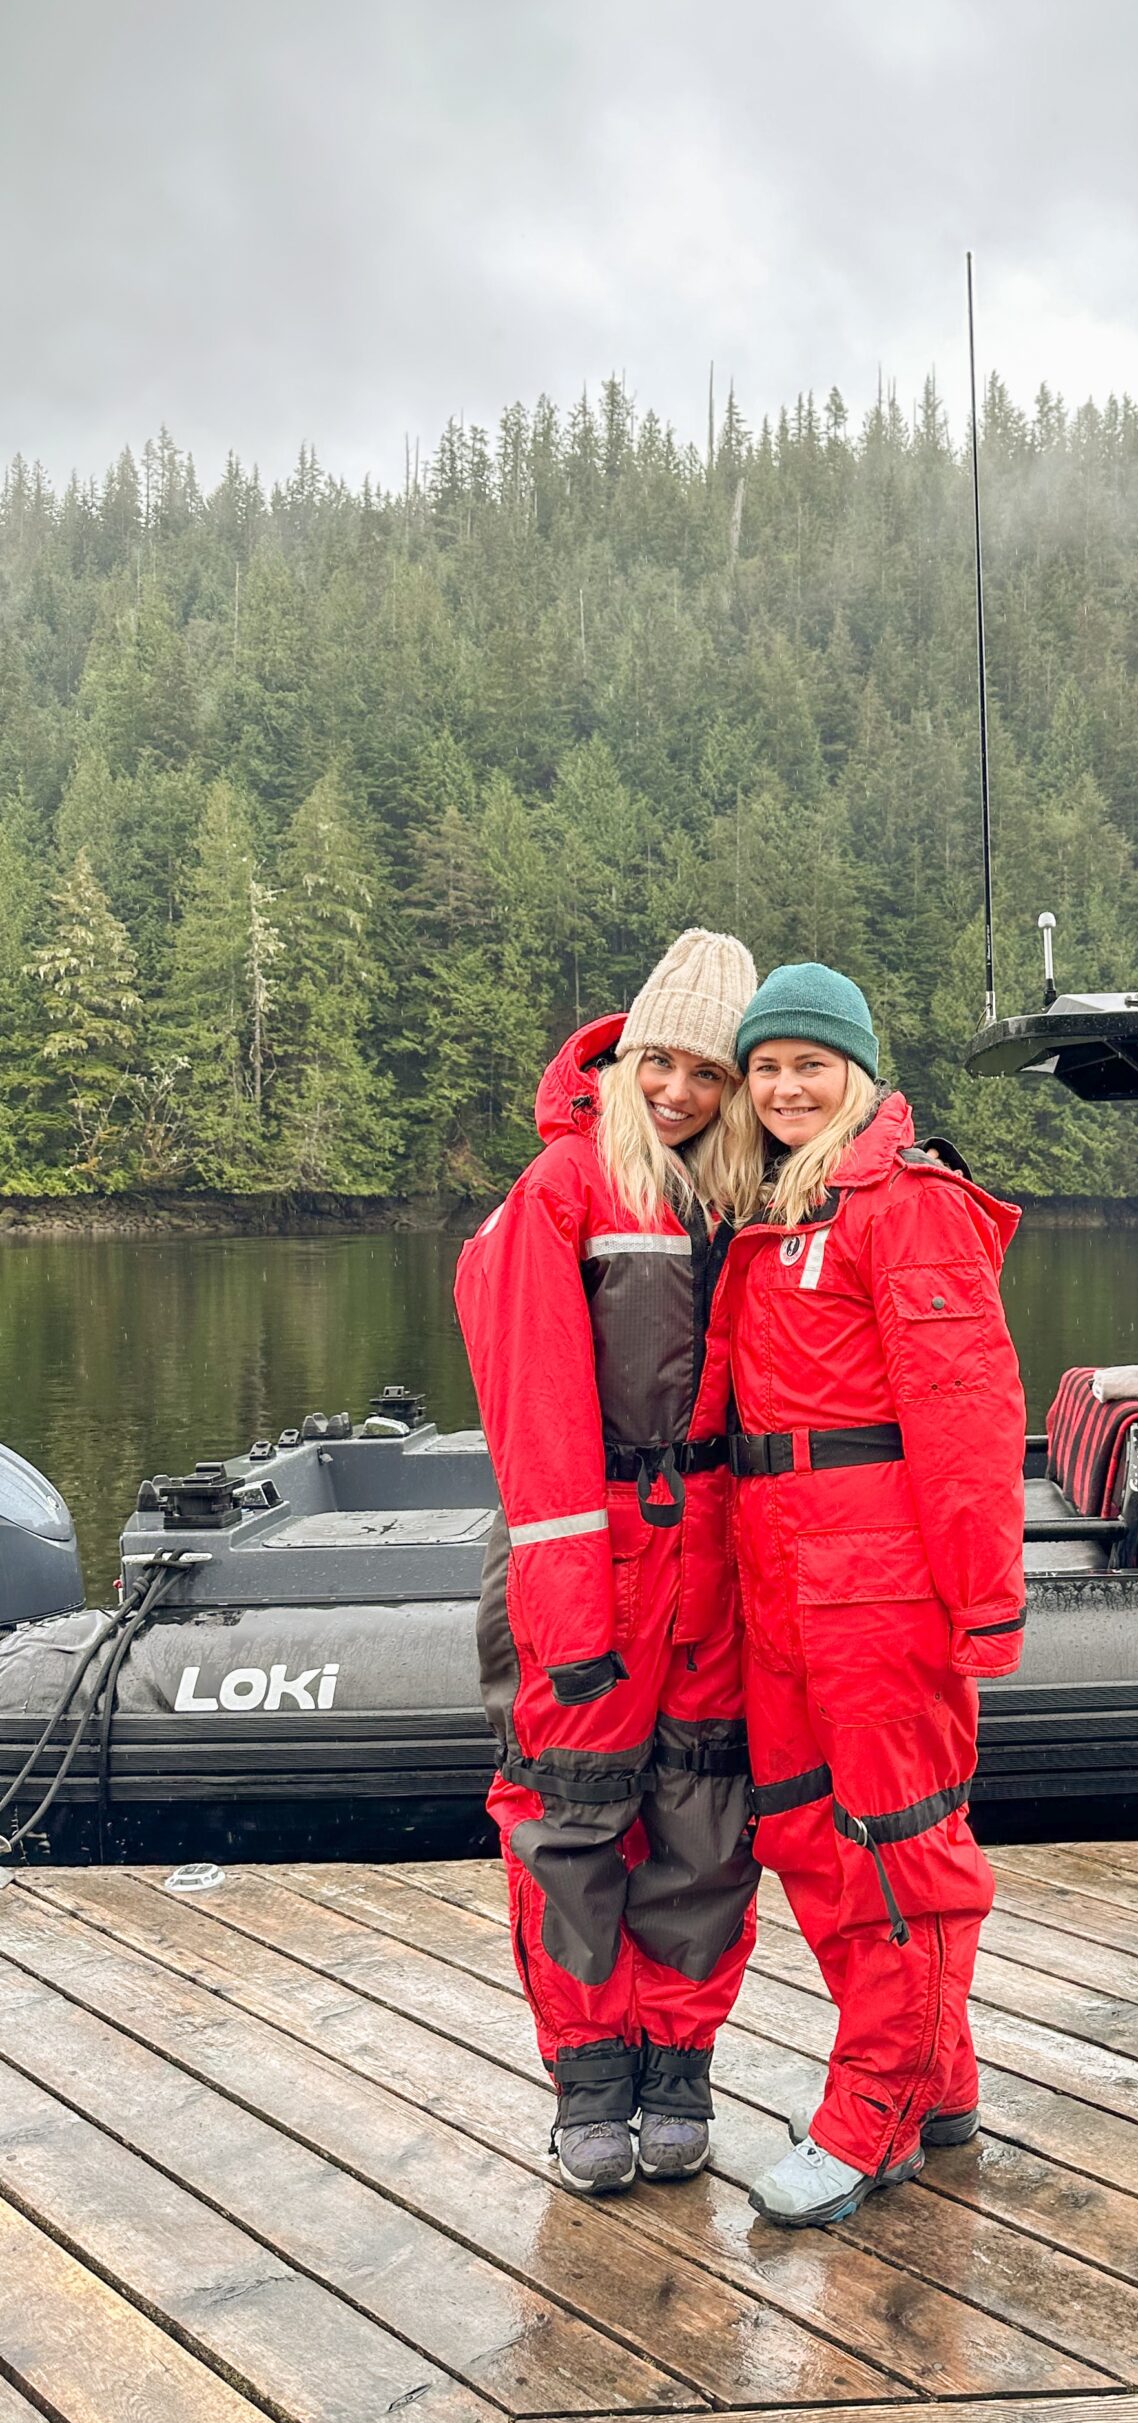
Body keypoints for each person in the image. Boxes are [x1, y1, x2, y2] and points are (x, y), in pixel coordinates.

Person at [691, 962, 1028, 2228]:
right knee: (800, 1832)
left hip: (878, 1585)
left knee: (899, 1854)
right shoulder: (779, 1207)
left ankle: (869, 2115)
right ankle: (938, 2081)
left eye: (809, 1065)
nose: (784, 1087)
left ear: (860, 1072)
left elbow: (965, 1414)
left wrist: (983, 1600)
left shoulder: (908, 1205)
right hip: (780, 1577)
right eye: (766, 1066)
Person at [454, 930, 761, 2196]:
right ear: (625, 1052)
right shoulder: (563, 1190)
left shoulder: (754, 1194)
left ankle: (677, 2068)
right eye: (661, 1061)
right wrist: (570, 1615)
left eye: (708, 1072)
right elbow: (537, 1424)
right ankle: (588, 2079)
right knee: (571, 1818)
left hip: (718, 1566)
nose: (678, 1091)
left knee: (705, 1818)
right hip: (590, 1556)